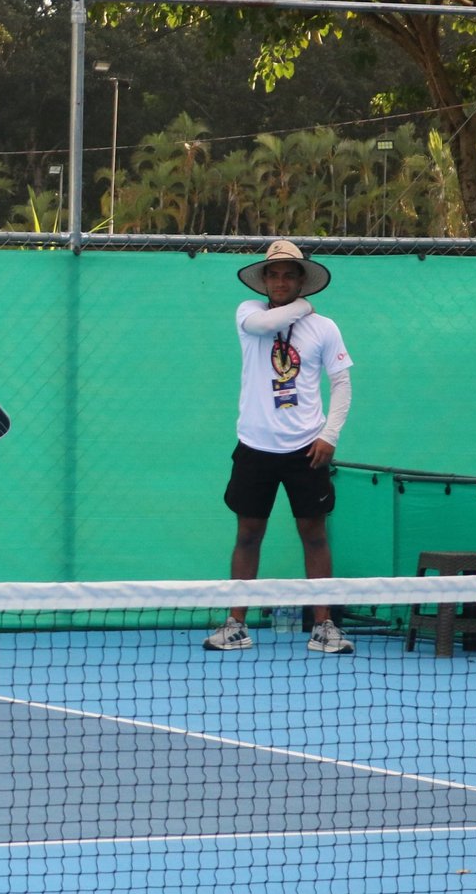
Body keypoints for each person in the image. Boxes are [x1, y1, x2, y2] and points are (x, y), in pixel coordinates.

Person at [204, 239, 355, 655]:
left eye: (290, 274)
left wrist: (330, 435)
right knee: (248, 533)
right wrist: (304, 306)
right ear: (264, 280)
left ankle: (323, 627)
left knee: (314, 533)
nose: (282, 281)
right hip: (254, 446)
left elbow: (342, 383)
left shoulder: (325, 329)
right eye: (274, 274)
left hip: (307, 448)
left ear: (301, 279)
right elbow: (263, 328)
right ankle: (236, 624)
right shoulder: (247, 313)